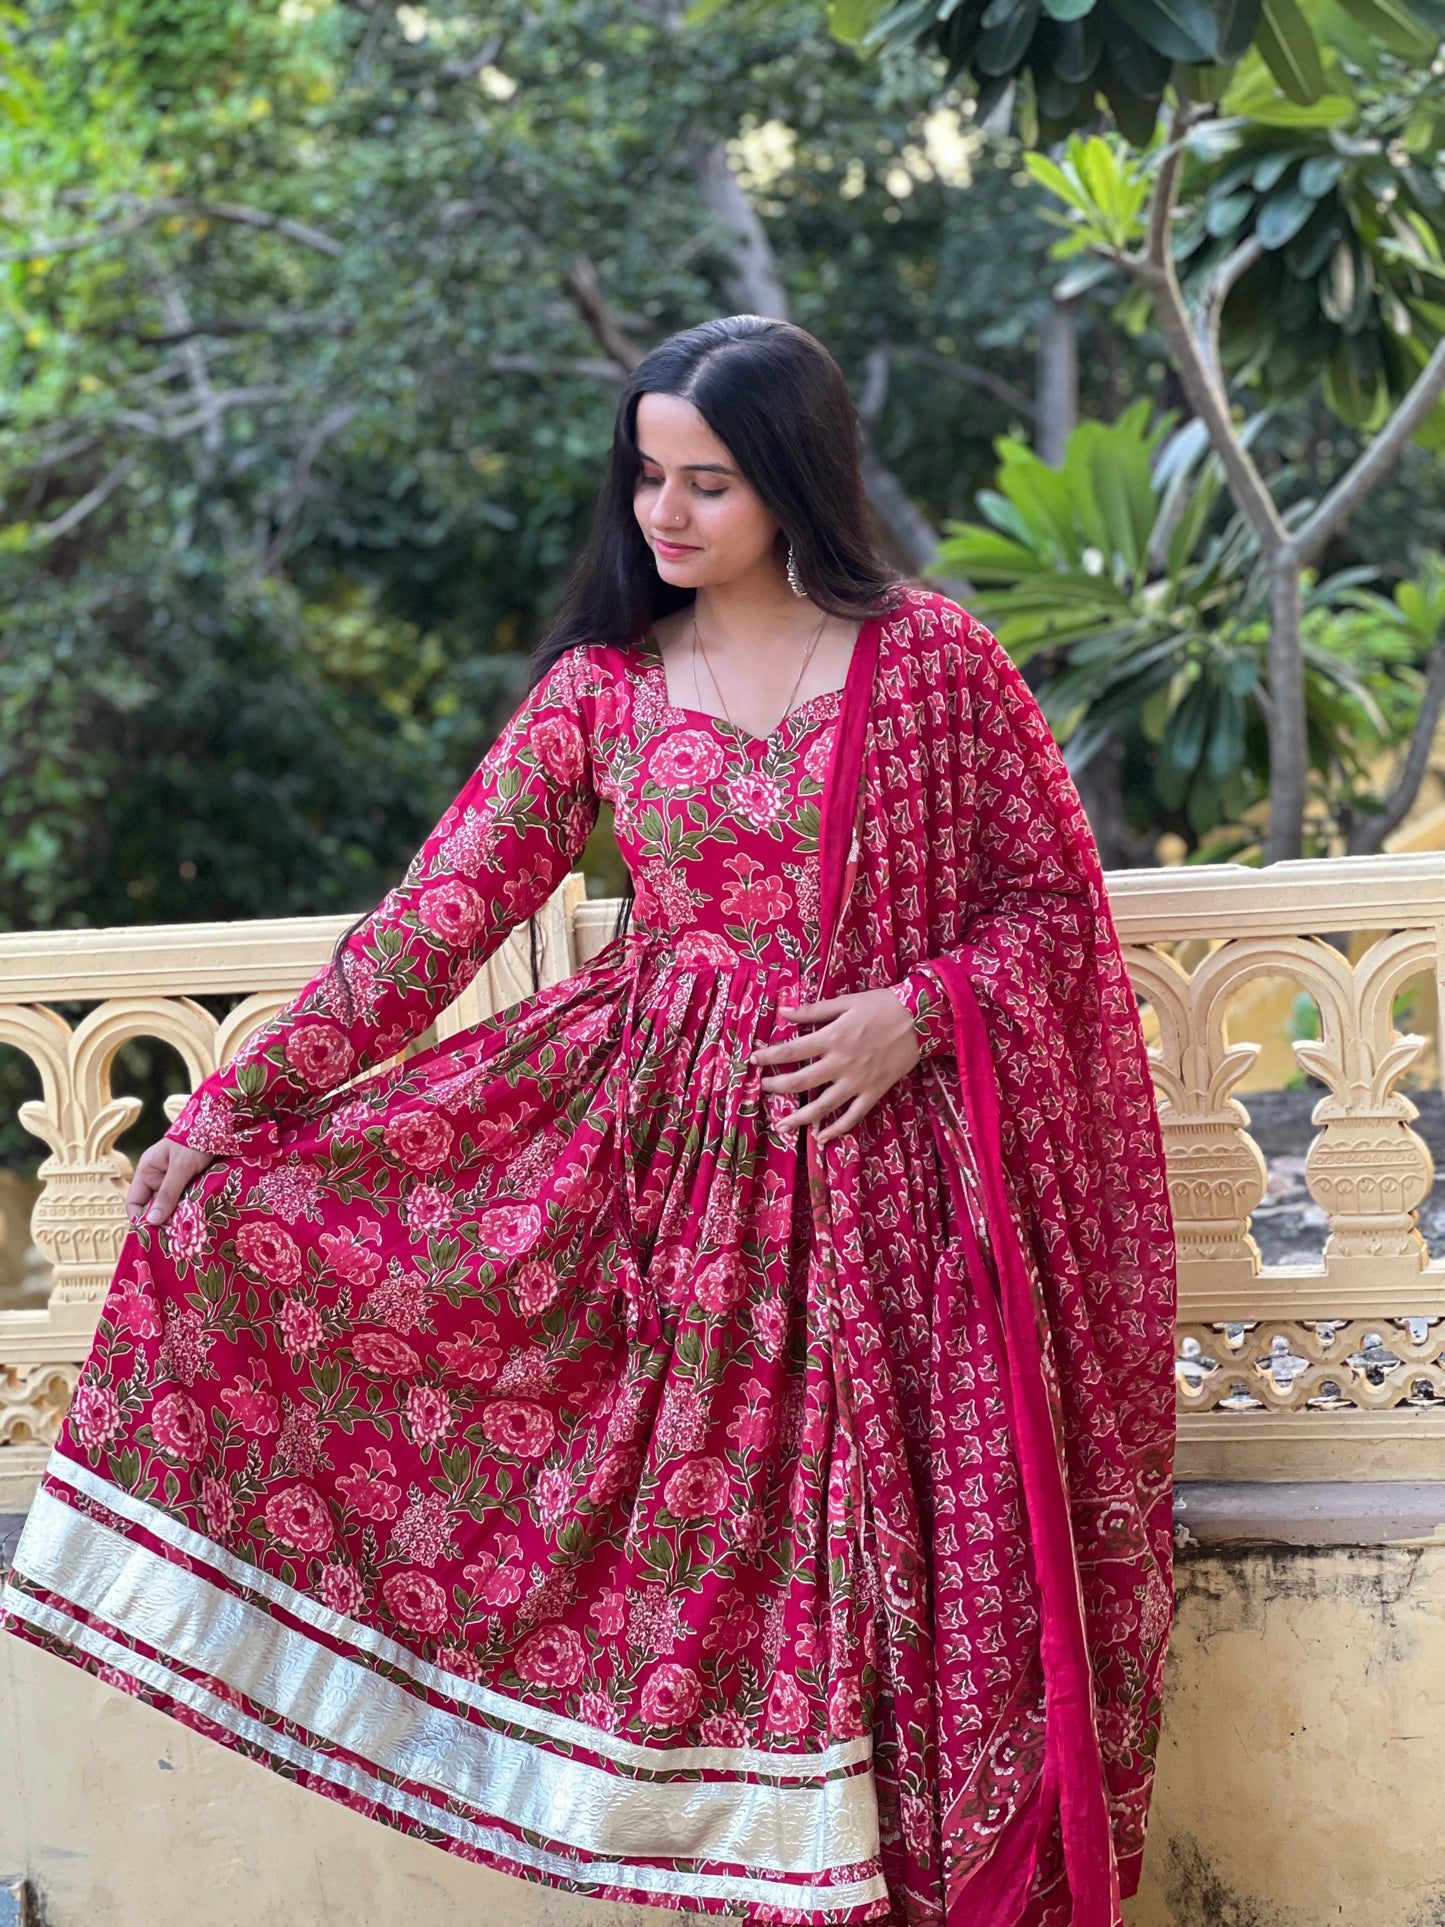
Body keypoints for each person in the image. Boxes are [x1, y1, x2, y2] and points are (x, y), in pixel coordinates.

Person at [0, 315, 1177, 1927]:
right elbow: (434, 922)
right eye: (645, 477)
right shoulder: (603, 693)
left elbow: (1052, 903)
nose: (664, 514)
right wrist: (240, 1104)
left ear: (793, 482)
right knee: (739, 1595)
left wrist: (918, 1014)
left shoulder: (933, 664)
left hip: (903, 1194)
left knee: (919, 1580)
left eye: (707, 481)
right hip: (681, 1202)